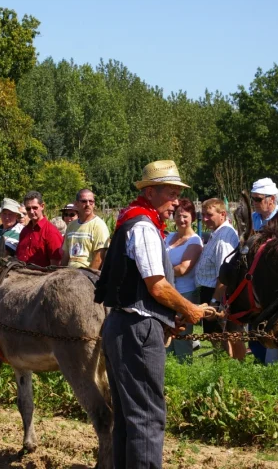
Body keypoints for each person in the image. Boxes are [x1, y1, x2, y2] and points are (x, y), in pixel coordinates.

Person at [95, 160, 206, 469]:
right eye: (171, 194)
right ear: (152, 192)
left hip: (123, 325)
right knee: (146, 418)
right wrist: (188, 308)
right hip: (138, 330)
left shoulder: (132, 222)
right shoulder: (143, 227)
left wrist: (170, 318)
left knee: (130, 418)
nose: (176, 202)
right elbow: (156, 286)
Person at [194, 198, 244, 359]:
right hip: (211, 292)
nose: (205, 219)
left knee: (221, 337)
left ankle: (225, 373)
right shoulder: (218, 233)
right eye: (203, 215)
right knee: (215, 336)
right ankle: (221, 371)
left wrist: (214, 303)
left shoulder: (224, 238)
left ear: (222, 214)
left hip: (217, 294)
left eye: (209, 215)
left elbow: (224, 275)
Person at [248, 178, 278, 364]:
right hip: (254, 281)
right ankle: (258, 358)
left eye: (258, 199)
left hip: (274, 283)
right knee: (253, 321)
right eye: (253, 199)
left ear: (271, 200)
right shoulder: (254, 219)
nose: (254, 203)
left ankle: (271, 363)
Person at [164, 199, 203, 360]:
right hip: (166, 292)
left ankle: (184, 371)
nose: (181, 220)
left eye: (185, 216)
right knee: (166, 334)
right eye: (178, 215)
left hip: (184, 293)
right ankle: (168, 373)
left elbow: (183, 269)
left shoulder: (195, 241)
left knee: (182, 337)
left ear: (192, 217)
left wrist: (158, 273)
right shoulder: (170, 237)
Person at [62, 189, 110, 270]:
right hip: (69, 273)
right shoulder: (71, 226)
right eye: (84, 201)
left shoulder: (99, 225)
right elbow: (66, 255)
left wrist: (88, 277)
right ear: (76, 204)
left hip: (86, 274)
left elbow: (99, 258)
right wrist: (60, 273)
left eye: (91, 201)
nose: (88, 204)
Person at [16, 191, 63, 267]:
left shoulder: (51, 231)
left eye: (35, 208)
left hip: (41, 277)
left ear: (42, 206)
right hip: (21, 275)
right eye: (28, 209)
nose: (31, 211)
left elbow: (56, 264)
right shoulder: (24, 231)